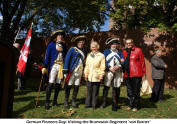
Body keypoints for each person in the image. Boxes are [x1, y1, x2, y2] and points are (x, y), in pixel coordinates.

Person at [42, 30, 68, 110]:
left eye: (61, 35)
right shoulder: (51, 45)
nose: (60, 36)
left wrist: (66, 67)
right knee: (50, 83)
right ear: (56, 37)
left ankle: (55, 101)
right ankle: (47, 102)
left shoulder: (64, 45)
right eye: (59, 35)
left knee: (58, 84)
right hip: (53, 66)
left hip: (61, 66)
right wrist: (45, 66)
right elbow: (47, 56)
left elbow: (66, 56)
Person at [100, 38, 124, 111]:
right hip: (109, 71)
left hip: (118, 71)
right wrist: (109, 67)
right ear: (110, 45)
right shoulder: (106, 51)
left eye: (116, 44)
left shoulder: (119, 52)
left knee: (117, 87)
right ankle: (104, 103)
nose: (114, 45)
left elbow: (123, 61)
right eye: (113, 44)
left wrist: (118, 65)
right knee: (106, 86)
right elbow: (103, 61)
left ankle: (115, 102)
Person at [63, 35, 87, 109]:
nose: (81, 43)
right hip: (72, 70)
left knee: (76, 86)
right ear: (77, 43)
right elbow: (67, 59)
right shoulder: (72, 49)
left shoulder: (84, 51)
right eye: (80, 42)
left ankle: (73, 101)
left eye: (82, 42)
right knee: (69, 85)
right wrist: (65, 70)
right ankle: (66, 101)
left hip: (80, 71)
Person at [122, 39, 146, 112]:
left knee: (136, 91)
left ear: (132, 43)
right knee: (129, 91)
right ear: (125, 44)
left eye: (130, 43)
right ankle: (130, 105)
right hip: (127, 74)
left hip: (136, 73)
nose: (128, 44)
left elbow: (142, 62)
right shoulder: (124, 52)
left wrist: (143, 73)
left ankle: (135, 106)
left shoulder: (138, 50)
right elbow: (123, 63)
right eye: (127, 43)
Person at [84, 41, 105, 110]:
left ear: (97, 47)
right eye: (92, 47)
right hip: (89, 75)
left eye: (95, 47)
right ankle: (88, 104)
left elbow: (102, 67)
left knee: (95, 91)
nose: (94, 48)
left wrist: (101, 75)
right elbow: (87, 66)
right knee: (89, 91)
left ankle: (94, 105)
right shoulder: (89, 55)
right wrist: (86, 74)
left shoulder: (101, 55)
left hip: (97, 75)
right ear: (91, 48)